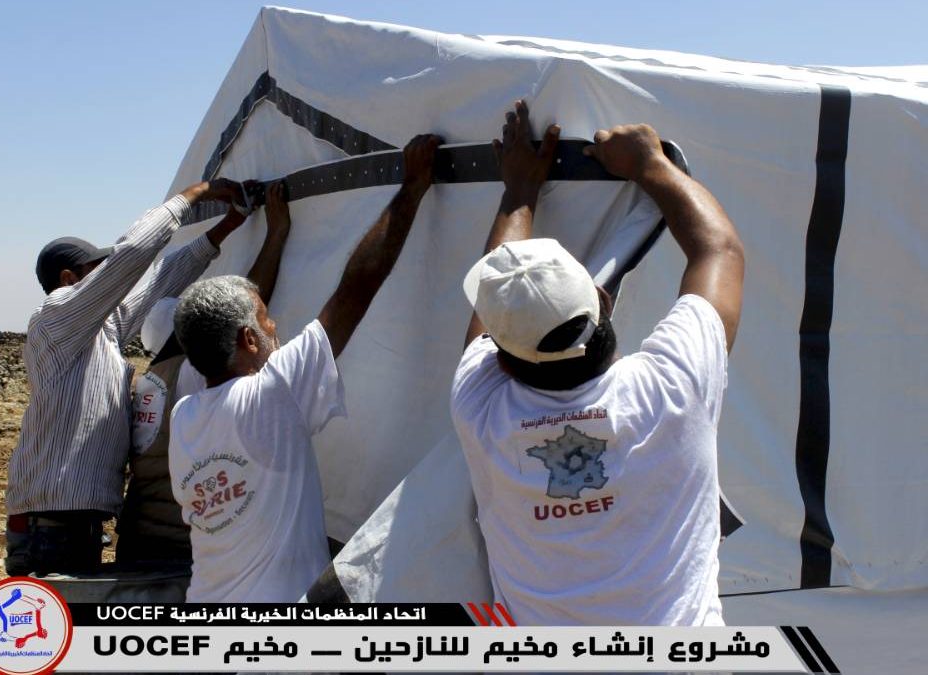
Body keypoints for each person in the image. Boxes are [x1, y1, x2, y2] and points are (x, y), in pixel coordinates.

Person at [450, 100, 745, 625]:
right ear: (603, 303)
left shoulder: (479, 407)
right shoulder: (672, 387)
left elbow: (491, 308)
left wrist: (519, 191)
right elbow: (718, 251)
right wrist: (650, 163)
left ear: (502, 356)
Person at [168, 134, 443, 602]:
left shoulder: (185, 415)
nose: (277, 324)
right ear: (249, 339)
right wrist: (412, 187)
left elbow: (228, 325)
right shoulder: (272, 395)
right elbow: (357, 288)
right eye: (266, 318)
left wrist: (275, 236)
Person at [5, 178, 252, 576]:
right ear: (69, 281)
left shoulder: (102, 329)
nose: (109, 278)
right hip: (50, 526)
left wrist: (228, 225)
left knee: (72, 630)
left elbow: (160, 278)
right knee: (53, 632)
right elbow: (133, 254)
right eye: (96, 271)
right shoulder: (56, 317)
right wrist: (195, 195)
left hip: (69, 523)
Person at [117, 183, 293, 567]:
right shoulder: (192, 376)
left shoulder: (152, 379)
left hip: (137, 537)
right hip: (180, 549)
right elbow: (246, 309)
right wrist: (276, 234)